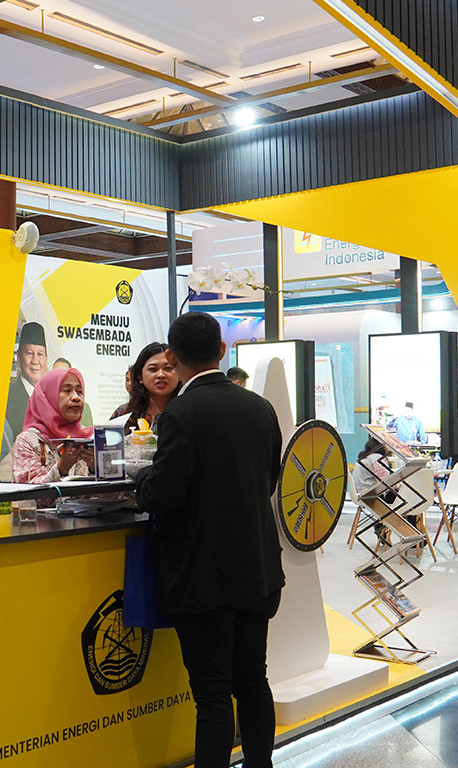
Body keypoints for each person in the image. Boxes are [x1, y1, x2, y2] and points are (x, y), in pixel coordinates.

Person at [135, 312, 284, 768]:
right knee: (253, 681)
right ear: (222, 350)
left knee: (213, 694)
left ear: (172, 357)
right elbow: (270, 479)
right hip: (257, 569)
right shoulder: (260, 408)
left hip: (204, 579)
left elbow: (163, 495)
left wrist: (141, 480)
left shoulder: (180, 414)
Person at [12, 367, 94, 483]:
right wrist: (62, 468)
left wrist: (95, 468)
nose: (76, 397)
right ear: (47, 396)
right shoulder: (28, 441)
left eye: (80, 391)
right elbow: (29, 491)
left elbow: (112, 492)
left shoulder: (89, 439)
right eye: (67, 390)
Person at [4, 322, 48, 440]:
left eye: (40, 354)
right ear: (18, 357)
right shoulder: (7, 398)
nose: (35, 361)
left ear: (46, 359)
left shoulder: (53, 398)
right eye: (29, 353)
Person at [123, 342, 179, 431]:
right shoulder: (124, 413)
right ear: (140, 377)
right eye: (153, 369)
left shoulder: (189, 411)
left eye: (168, 368)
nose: (161, 375)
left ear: (179, 374)